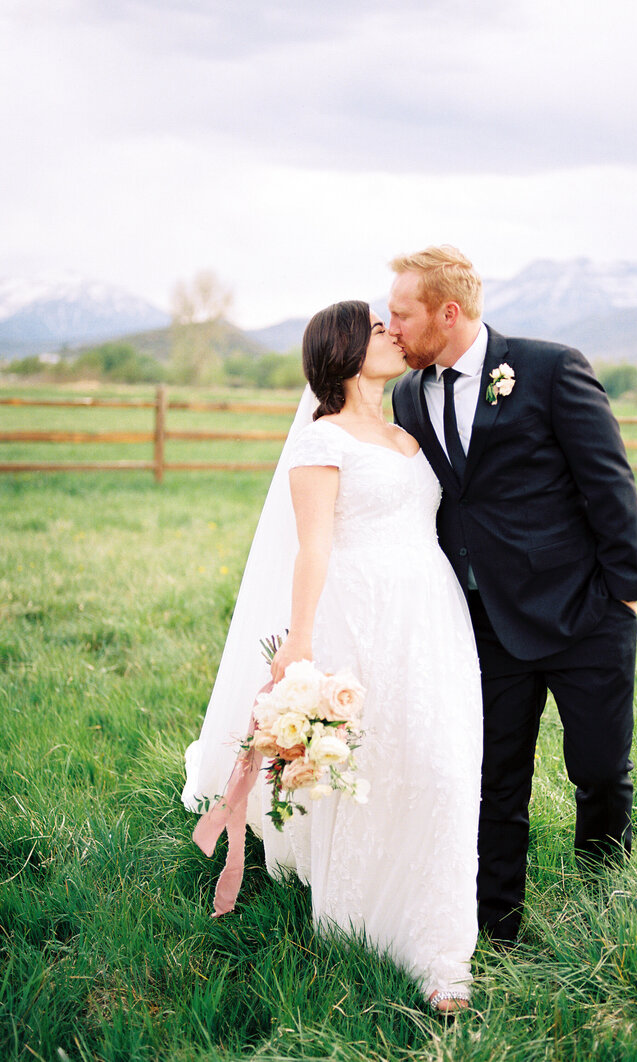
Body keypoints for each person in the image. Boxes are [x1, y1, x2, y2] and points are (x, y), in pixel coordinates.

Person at [183, 301, 482, 1013]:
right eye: (378, 329)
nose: (393, 335)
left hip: (432, 616)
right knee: (375, 765)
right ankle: (372, 929)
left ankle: (439, 941)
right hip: (362, 614)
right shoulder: (322, 441)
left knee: (441, 765)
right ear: (346, 350)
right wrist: (302, 642)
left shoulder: (405, 427)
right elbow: (313, 547)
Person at [389, 246, 637, 944]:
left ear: (447, 312)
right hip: (482, 624)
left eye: (401, 313)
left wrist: (623, 596)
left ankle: (604, 892)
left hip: (582, 612)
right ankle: (493, 926)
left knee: (598, 768)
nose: (391, 327)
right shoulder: (408, 393)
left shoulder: (549, 367)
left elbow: (609, 482)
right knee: (494, 779)